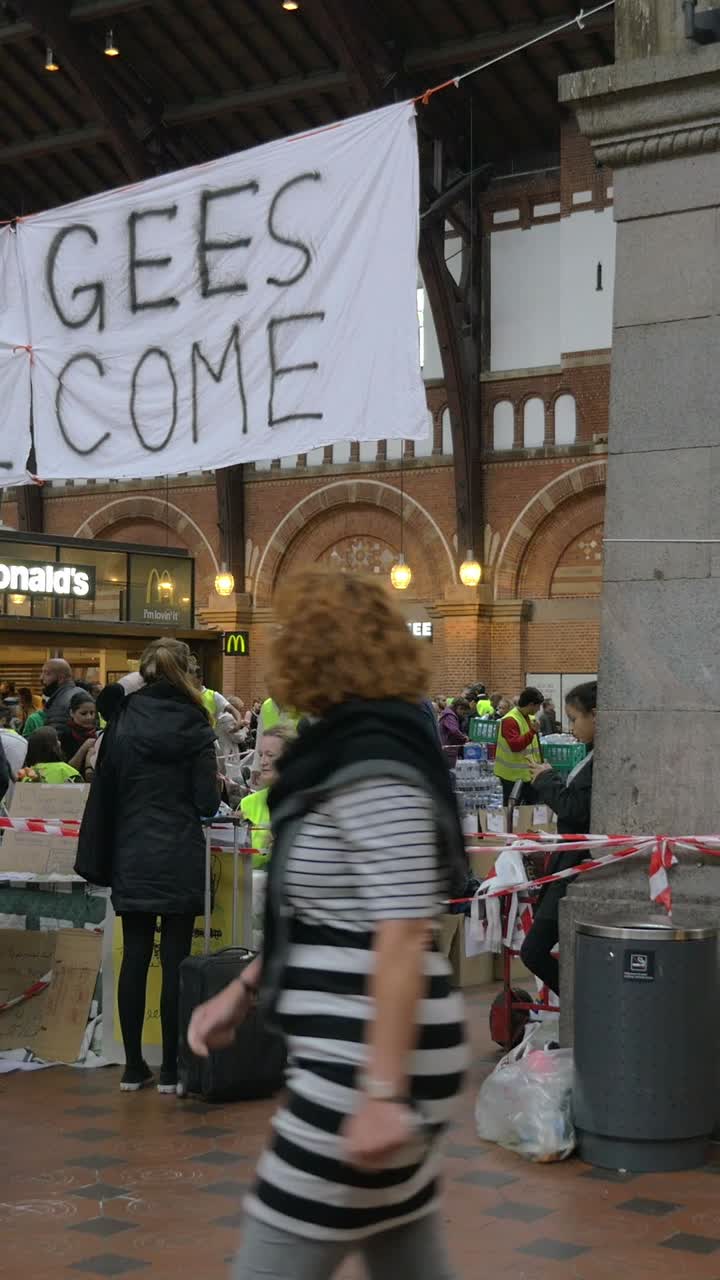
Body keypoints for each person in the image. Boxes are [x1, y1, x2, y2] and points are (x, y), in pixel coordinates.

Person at [188, 570, 468, 1280]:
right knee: (403, 1247)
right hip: (369, 1060)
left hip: (365, 1068)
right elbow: (325, 913)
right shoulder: (350, 751)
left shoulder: (376, 769)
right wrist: (244, 990)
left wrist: (379, 1095)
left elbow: (402, 932)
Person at [82, 637, 220, 1093]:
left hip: (132, 851)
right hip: (179, 850)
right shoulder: (198, 722)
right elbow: (205, 802)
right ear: (187, 672)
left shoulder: (122, 721)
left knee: (135, 959)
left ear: (145, 672)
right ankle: (174, 1071)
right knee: (177, 962)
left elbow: (105, 701)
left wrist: (142, 675)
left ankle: (133, 1067)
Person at [521, 681, 597, 996]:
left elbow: (574, 809)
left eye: (575, 717)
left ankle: (580, 1008)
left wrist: (545, 779)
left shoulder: (600, 762)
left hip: (577, 865)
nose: (571, 726)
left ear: (596, 715)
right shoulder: (591, 756)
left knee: (533, 950)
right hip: (568, 862)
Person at [493, 686, 544, 806]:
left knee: (531, 808)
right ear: (531, 704)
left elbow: (534, 746)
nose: (538, 709)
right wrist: (532, 732)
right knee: (512, 809)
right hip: (511, 776)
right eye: (538, 706)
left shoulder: (531, 719)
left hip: (529, 774)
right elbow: (515, 746)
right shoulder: (509, 720)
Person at [58, 689, 98, 768]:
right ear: (72, 713)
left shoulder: (99, 733)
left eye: (92, 713)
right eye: (84, 713)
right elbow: (67, 769)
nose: (89, 717)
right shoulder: (65, 736)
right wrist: (84, 748)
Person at [41, 659, 77, 732]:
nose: (41, 678)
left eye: (47, 673)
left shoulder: (60, 703)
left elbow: (55, 737)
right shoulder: (81, 693)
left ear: (61, 678)